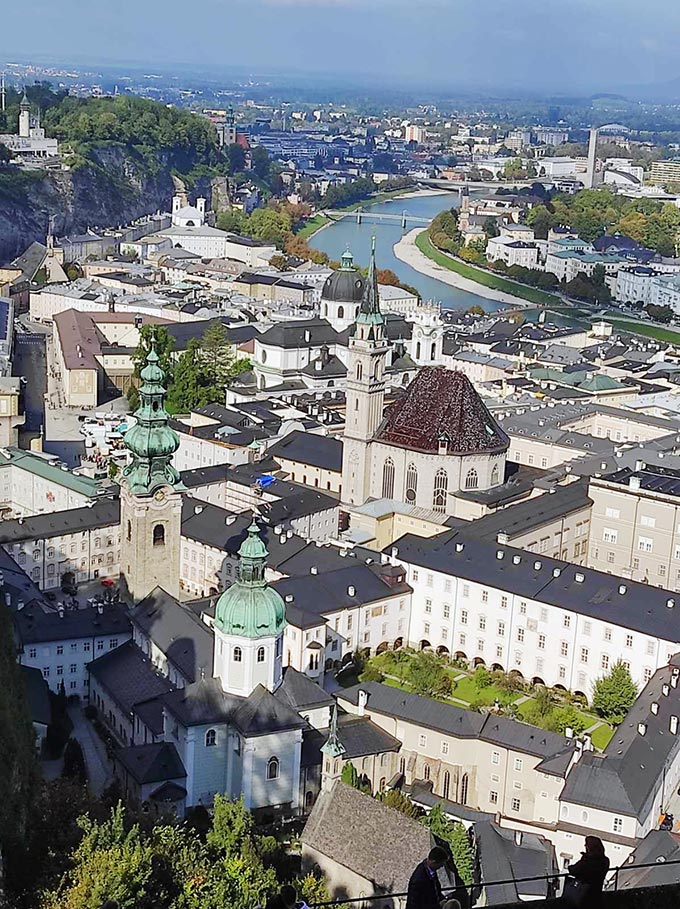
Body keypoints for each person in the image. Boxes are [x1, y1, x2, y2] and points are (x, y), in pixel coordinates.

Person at [565, 836, 610, 907]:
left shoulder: (588, 860)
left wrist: (584, 858)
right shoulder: (605, 860)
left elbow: (575, 870)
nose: (585, 846)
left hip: (583, 894)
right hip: (597, 894)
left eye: (586, 844)